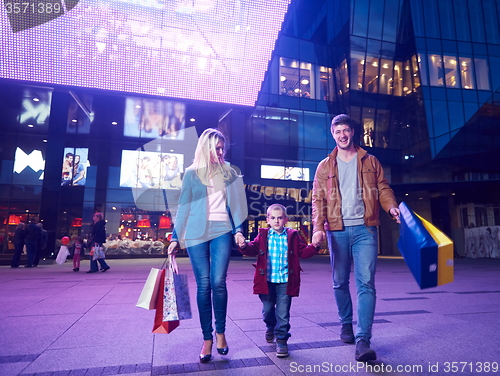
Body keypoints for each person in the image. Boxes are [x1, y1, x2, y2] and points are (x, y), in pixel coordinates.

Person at [311, 114, 400, 362]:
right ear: (332, 134)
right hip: (337, 231)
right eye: (337, 131)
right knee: (339, 282)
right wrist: (318, 227)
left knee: (366, 284)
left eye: (346, 130)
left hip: (366, 229)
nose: (342, 135)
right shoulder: (325, 166)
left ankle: (363, 340)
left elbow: (382, 187)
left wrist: (391, 207)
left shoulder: (370, 161)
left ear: (352, 132)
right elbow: (318, 200)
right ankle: (346, 324)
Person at [167, 128, 247, 363]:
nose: (221, 152)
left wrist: (239, 231)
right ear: (206, 148)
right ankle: (207, 339)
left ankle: (220, 333)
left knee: (218, 283)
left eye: (223, 148)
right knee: (203, 285)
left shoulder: (229, 173)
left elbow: (237, 206)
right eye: (217, 148)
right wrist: (174, 237)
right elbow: (184, 207)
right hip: (195, 234)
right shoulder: (192, 174)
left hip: (221, 231)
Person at [236, 204, 319, 358]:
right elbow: (253, 248)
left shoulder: (293, 235)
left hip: (285, 281)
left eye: (280, 218)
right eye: (273, 218)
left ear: (285, 220)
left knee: (283, 312)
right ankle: (270, 326)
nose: (276, 221)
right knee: (268, 310)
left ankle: (281, 339)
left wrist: (314, 246)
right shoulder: (263, 235)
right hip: (266, 281)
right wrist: (244, 246)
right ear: (267, 220)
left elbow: (303, 252)